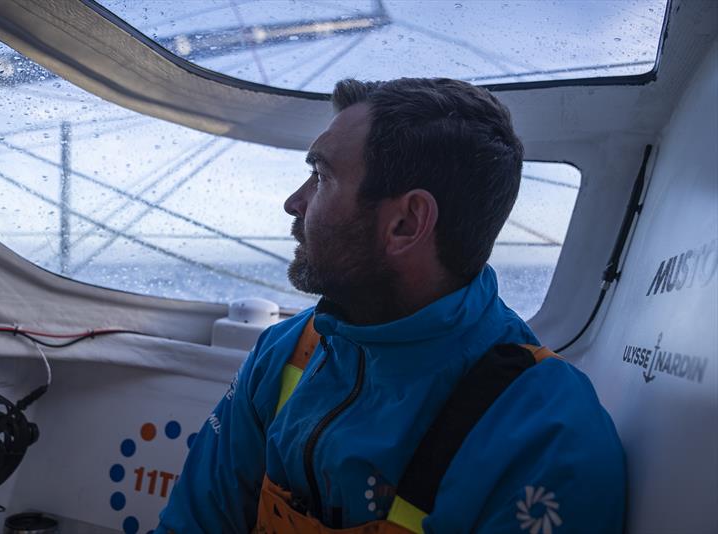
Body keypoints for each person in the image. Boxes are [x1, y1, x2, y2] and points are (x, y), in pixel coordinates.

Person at [155, 78, 625, 533]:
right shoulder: (283, 351)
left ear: (406, 223)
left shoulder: (550, 438)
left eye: (321, 176)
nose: (293, 202)